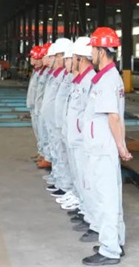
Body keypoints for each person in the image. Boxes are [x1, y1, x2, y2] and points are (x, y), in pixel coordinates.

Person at [81, 27, 130, 266]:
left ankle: (109, 249)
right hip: (103, 146)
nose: (91, 53)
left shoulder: (108, 80)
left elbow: (113, 116)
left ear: (102, 51)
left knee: (106, 198)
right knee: (112, 196)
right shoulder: (109, 77)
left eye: (93, 49)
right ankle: (116, 241)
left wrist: (121, 146)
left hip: (103, 148)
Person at [64, 37, 98, 234]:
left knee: (88, 182)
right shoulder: (80, 81)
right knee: (81, 179)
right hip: (76, 139)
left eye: (72, 58)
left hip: (84, 142)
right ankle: (85, 213)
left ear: (80, 58)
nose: (68, 62)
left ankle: (93, 220)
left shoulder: (91, 81)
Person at [42, 39, 72, 197]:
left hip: (61, 123)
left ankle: (65, 185)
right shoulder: (59, 75)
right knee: (57, 151)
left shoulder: (68, 77)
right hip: (53, 121)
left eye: (57, 56)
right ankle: (59, 180)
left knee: (63, 153)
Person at [50, 38, 77, 209]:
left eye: (62, 57)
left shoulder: (76, 79)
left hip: (75, 131)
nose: (56, 60)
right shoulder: (65, 76)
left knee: (72, 162)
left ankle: (70, 190)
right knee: (61, 155)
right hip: (62, 125)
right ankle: (64, 185)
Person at [35, 42, 54, 170]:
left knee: (50, 137)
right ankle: (44, 154)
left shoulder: (52, 74)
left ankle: (48, 158)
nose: (43, 59)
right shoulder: (46, 72)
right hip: (42, 108)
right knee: (42, 133)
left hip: (50, 113)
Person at [26, 45, 44, 159]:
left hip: (39, 108)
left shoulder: (44, 73)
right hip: (34, 106)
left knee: (42, 132)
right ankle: (41, 151)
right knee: (38, 131)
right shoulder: (36, 71)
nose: (32, 60)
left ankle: (44, 154)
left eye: (34, 58)